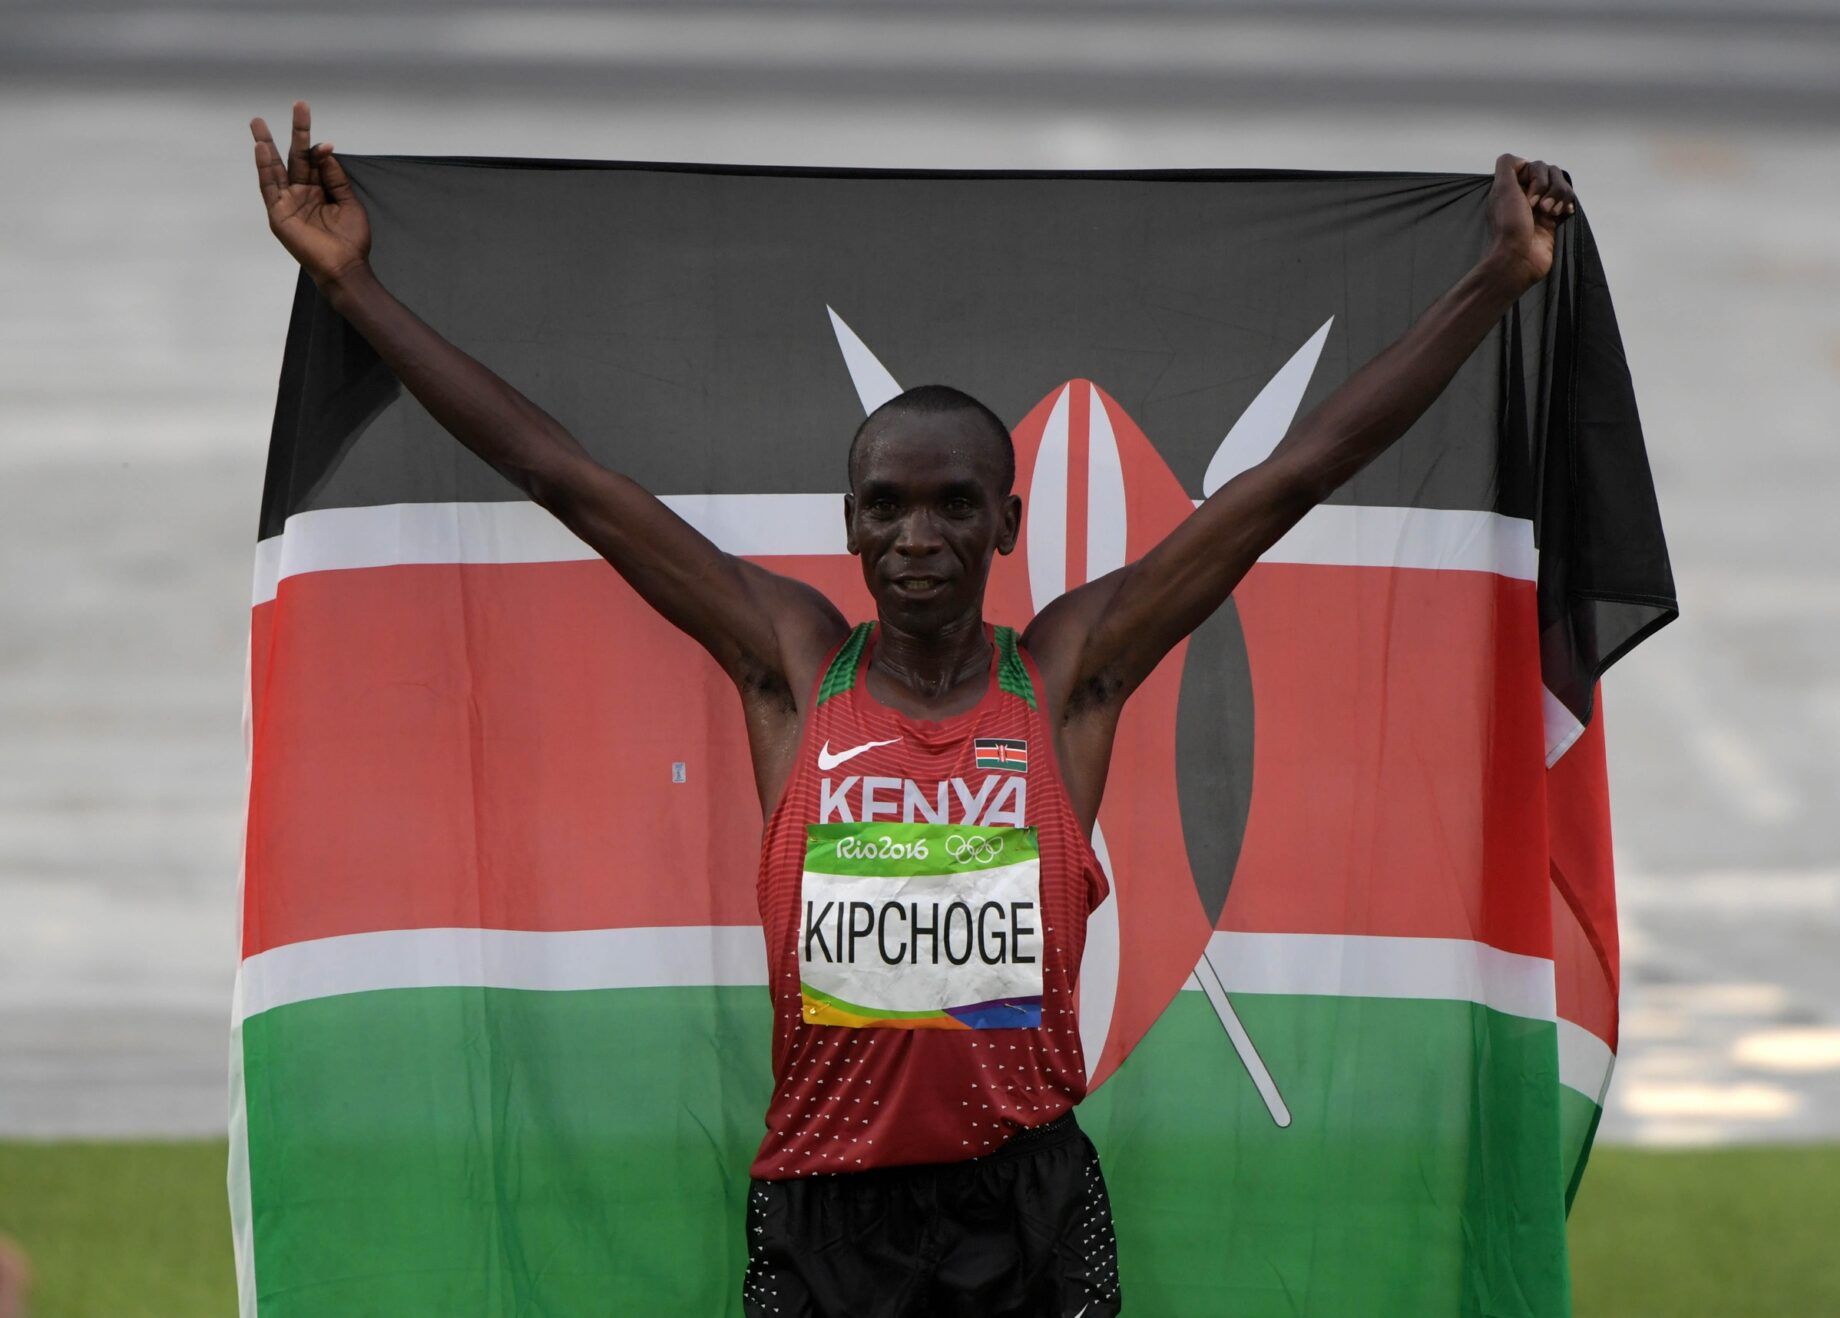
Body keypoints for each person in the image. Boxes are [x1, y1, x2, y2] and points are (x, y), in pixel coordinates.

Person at [249, 102, 1574, 1317]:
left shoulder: (1067, 675)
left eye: (953, 505)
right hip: (826, 1215)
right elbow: (565, 476)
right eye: (887, 505)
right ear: (850, 523)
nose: (919, 536)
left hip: (1028, 1207)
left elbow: (1294, 476)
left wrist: (1493, 280)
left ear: (1005, 519)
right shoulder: (788, 668)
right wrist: (355, 284)